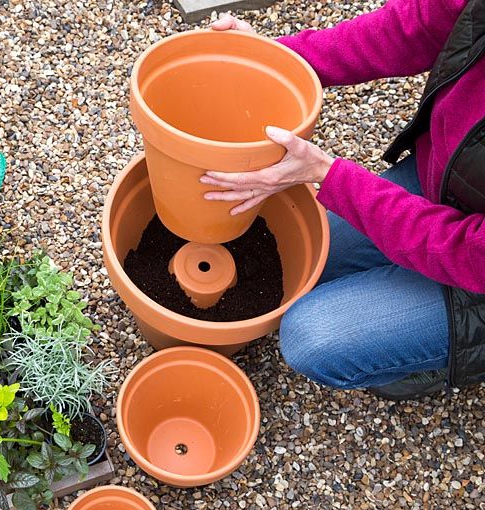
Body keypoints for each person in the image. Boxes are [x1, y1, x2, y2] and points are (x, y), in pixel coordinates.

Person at [204, 0, 485, 400]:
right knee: (307, 256)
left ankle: (439, 362)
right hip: (448, 185)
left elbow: (468, 251)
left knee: (313, 337)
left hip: (477, 271)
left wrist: (329, 175)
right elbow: (414, 27)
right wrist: (280, 63)